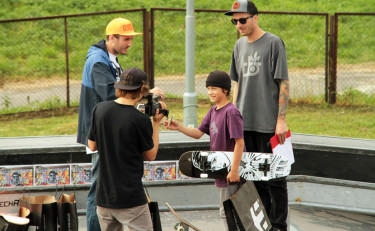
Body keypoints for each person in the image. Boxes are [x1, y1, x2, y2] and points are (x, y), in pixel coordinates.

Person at [76, 17, 164, 231]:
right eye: (126, 39)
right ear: (111, 37)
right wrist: (145, 93)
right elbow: (111, 94)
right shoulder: (98, 60)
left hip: (106, 129)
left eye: (131, 39)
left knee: (102, 188)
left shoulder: (109, 58)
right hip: (103, 131)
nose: (130, 44)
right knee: (99, 189)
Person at [224, 1, 290, 231]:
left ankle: (279, 226)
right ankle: (261, 224)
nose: (239, 24)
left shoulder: (273, 42)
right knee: (252, 178)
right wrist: (230, 114)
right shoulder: (239, 45)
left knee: (275, 178)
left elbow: (283, 82)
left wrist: (280, 119)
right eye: (235, 21)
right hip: (244, 123)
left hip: (268, 124)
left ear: (255, 17)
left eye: (242, 19)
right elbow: (236, 83)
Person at [87, 67, 166, 231]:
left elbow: (92, 145)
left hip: (104, 198)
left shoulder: (99, 110)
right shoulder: (140, 119)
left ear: (119, 88)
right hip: (130, 199)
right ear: (142, 91)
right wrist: (156, 123)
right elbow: (151, 156)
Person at [165, 70, 245, 230]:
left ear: (225, 90)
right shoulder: (213, 111)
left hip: (231, 172)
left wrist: (235, 170)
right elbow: (198, 133)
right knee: (227, 210)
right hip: (219, 170)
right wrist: (178, 127)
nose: (210, 92)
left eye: (214, 88)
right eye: (208, 88)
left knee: (229, 211)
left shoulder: (231, 112)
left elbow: (240, 143)